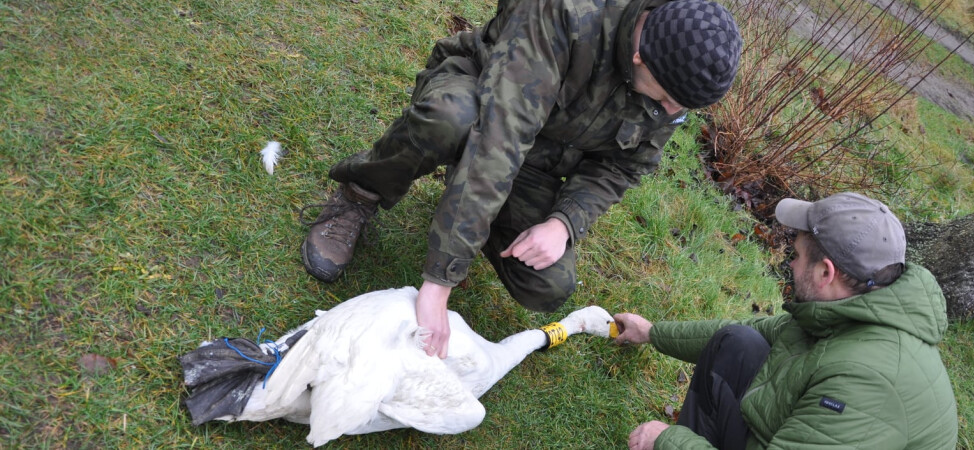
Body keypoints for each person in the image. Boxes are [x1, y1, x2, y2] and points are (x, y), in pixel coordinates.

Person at [300, 0, 743, 359]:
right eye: (664, 100)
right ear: (638, 55)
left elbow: (622, 166)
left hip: (541, 156)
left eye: (677, 109)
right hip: (479, 97)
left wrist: (564, 222)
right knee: (450, 121)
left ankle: (471, 212)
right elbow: (499, 138)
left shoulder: (678, 73)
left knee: (549, 284)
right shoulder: (564, 14)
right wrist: (438, 284)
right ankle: (359, 194)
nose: (668, 114)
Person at [613, 192, 958, 449]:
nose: (790, 265)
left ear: (826, 272)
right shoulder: (848, 311)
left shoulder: (865, 382)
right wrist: (651, 333)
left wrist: (669, 441)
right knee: (737, 344)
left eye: (796, 256)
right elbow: (747, 332)